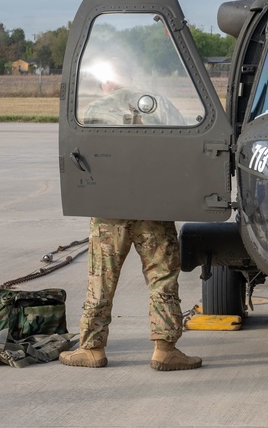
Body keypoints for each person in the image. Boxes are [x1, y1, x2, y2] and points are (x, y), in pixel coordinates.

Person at [60, 57, 202, 370]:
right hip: (153, 206)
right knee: (162, 277)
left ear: (104, 81)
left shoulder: (96, 109)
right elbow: (184, 145)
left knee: (101, 279)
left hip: (109, 210)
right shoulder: (158, 103)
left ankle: (93, 348)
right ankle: (165, 349)